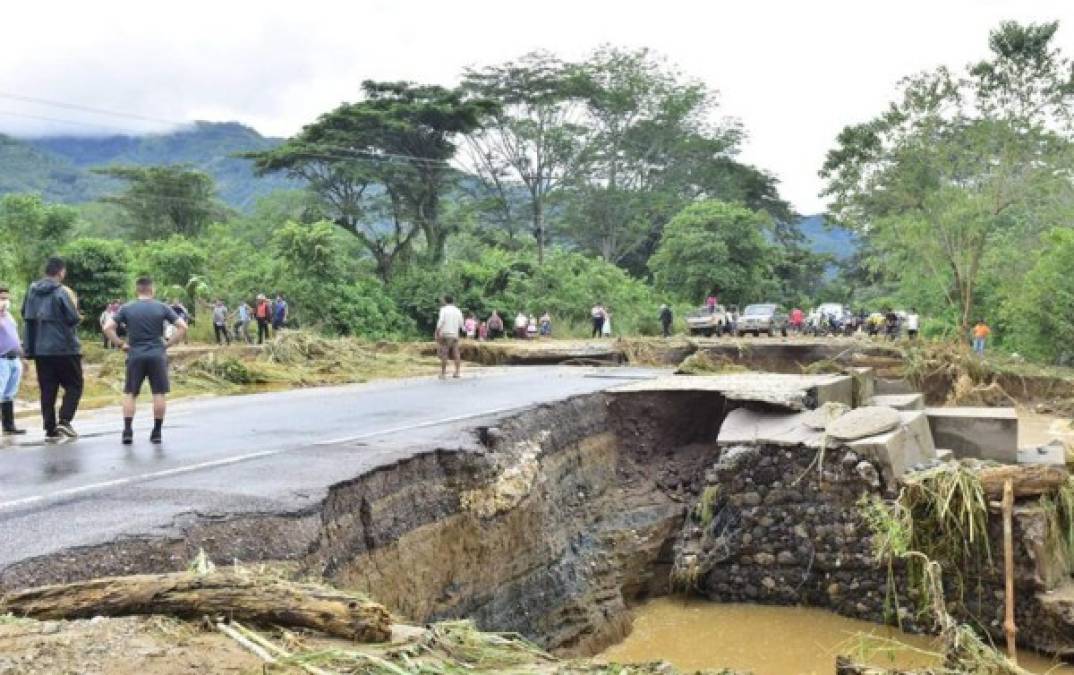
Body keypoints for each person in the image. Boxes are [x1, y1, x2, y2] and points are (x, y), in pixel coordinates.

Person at [104, 277, 187, 444]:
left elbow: (107, 327)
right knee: (158, 393)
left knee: (130, 393)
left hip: (135, 354)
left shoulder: (127, 308)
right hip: (157, 354)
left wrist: (121, 344)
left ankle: (127, 431)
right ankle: (156, 433)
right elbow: (183, 326)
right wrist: (167, 344)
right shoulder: (162, 307)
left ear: (137, 290)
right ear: (152, 289)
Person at [22, 257, 83, 441]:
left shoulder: (31, 291)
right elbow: (72, 318)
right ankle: (65, 420)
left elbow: (25, 313)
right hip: (64, 348)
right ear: (60, 272)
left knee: (48, 389)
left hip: (41, 348)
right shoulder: (60, 292)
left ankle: (50, 429)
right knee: (74, 385)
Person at [0, 287, 25, 435]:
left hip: (14, 359)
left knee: (9, 394)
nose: (5, 301)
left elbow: (15, 336)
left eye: (6, 298)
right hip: (1, 360)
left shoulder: (9, 316)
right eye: (2, 298)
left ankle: (9, 426)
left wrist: (23, 358)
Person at [435, 295, 464, 379]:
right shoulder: (458, 310)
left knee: (444, 353)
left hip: (445, 334)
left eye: (443, 300)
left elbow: (441, 322)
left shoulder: (443, 310)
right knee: (456, 353)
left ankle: (443, 373)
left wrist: (437, 332)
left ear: (445, 301)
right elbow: (461, 324)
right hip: (455, 334)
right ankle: (457, 372)